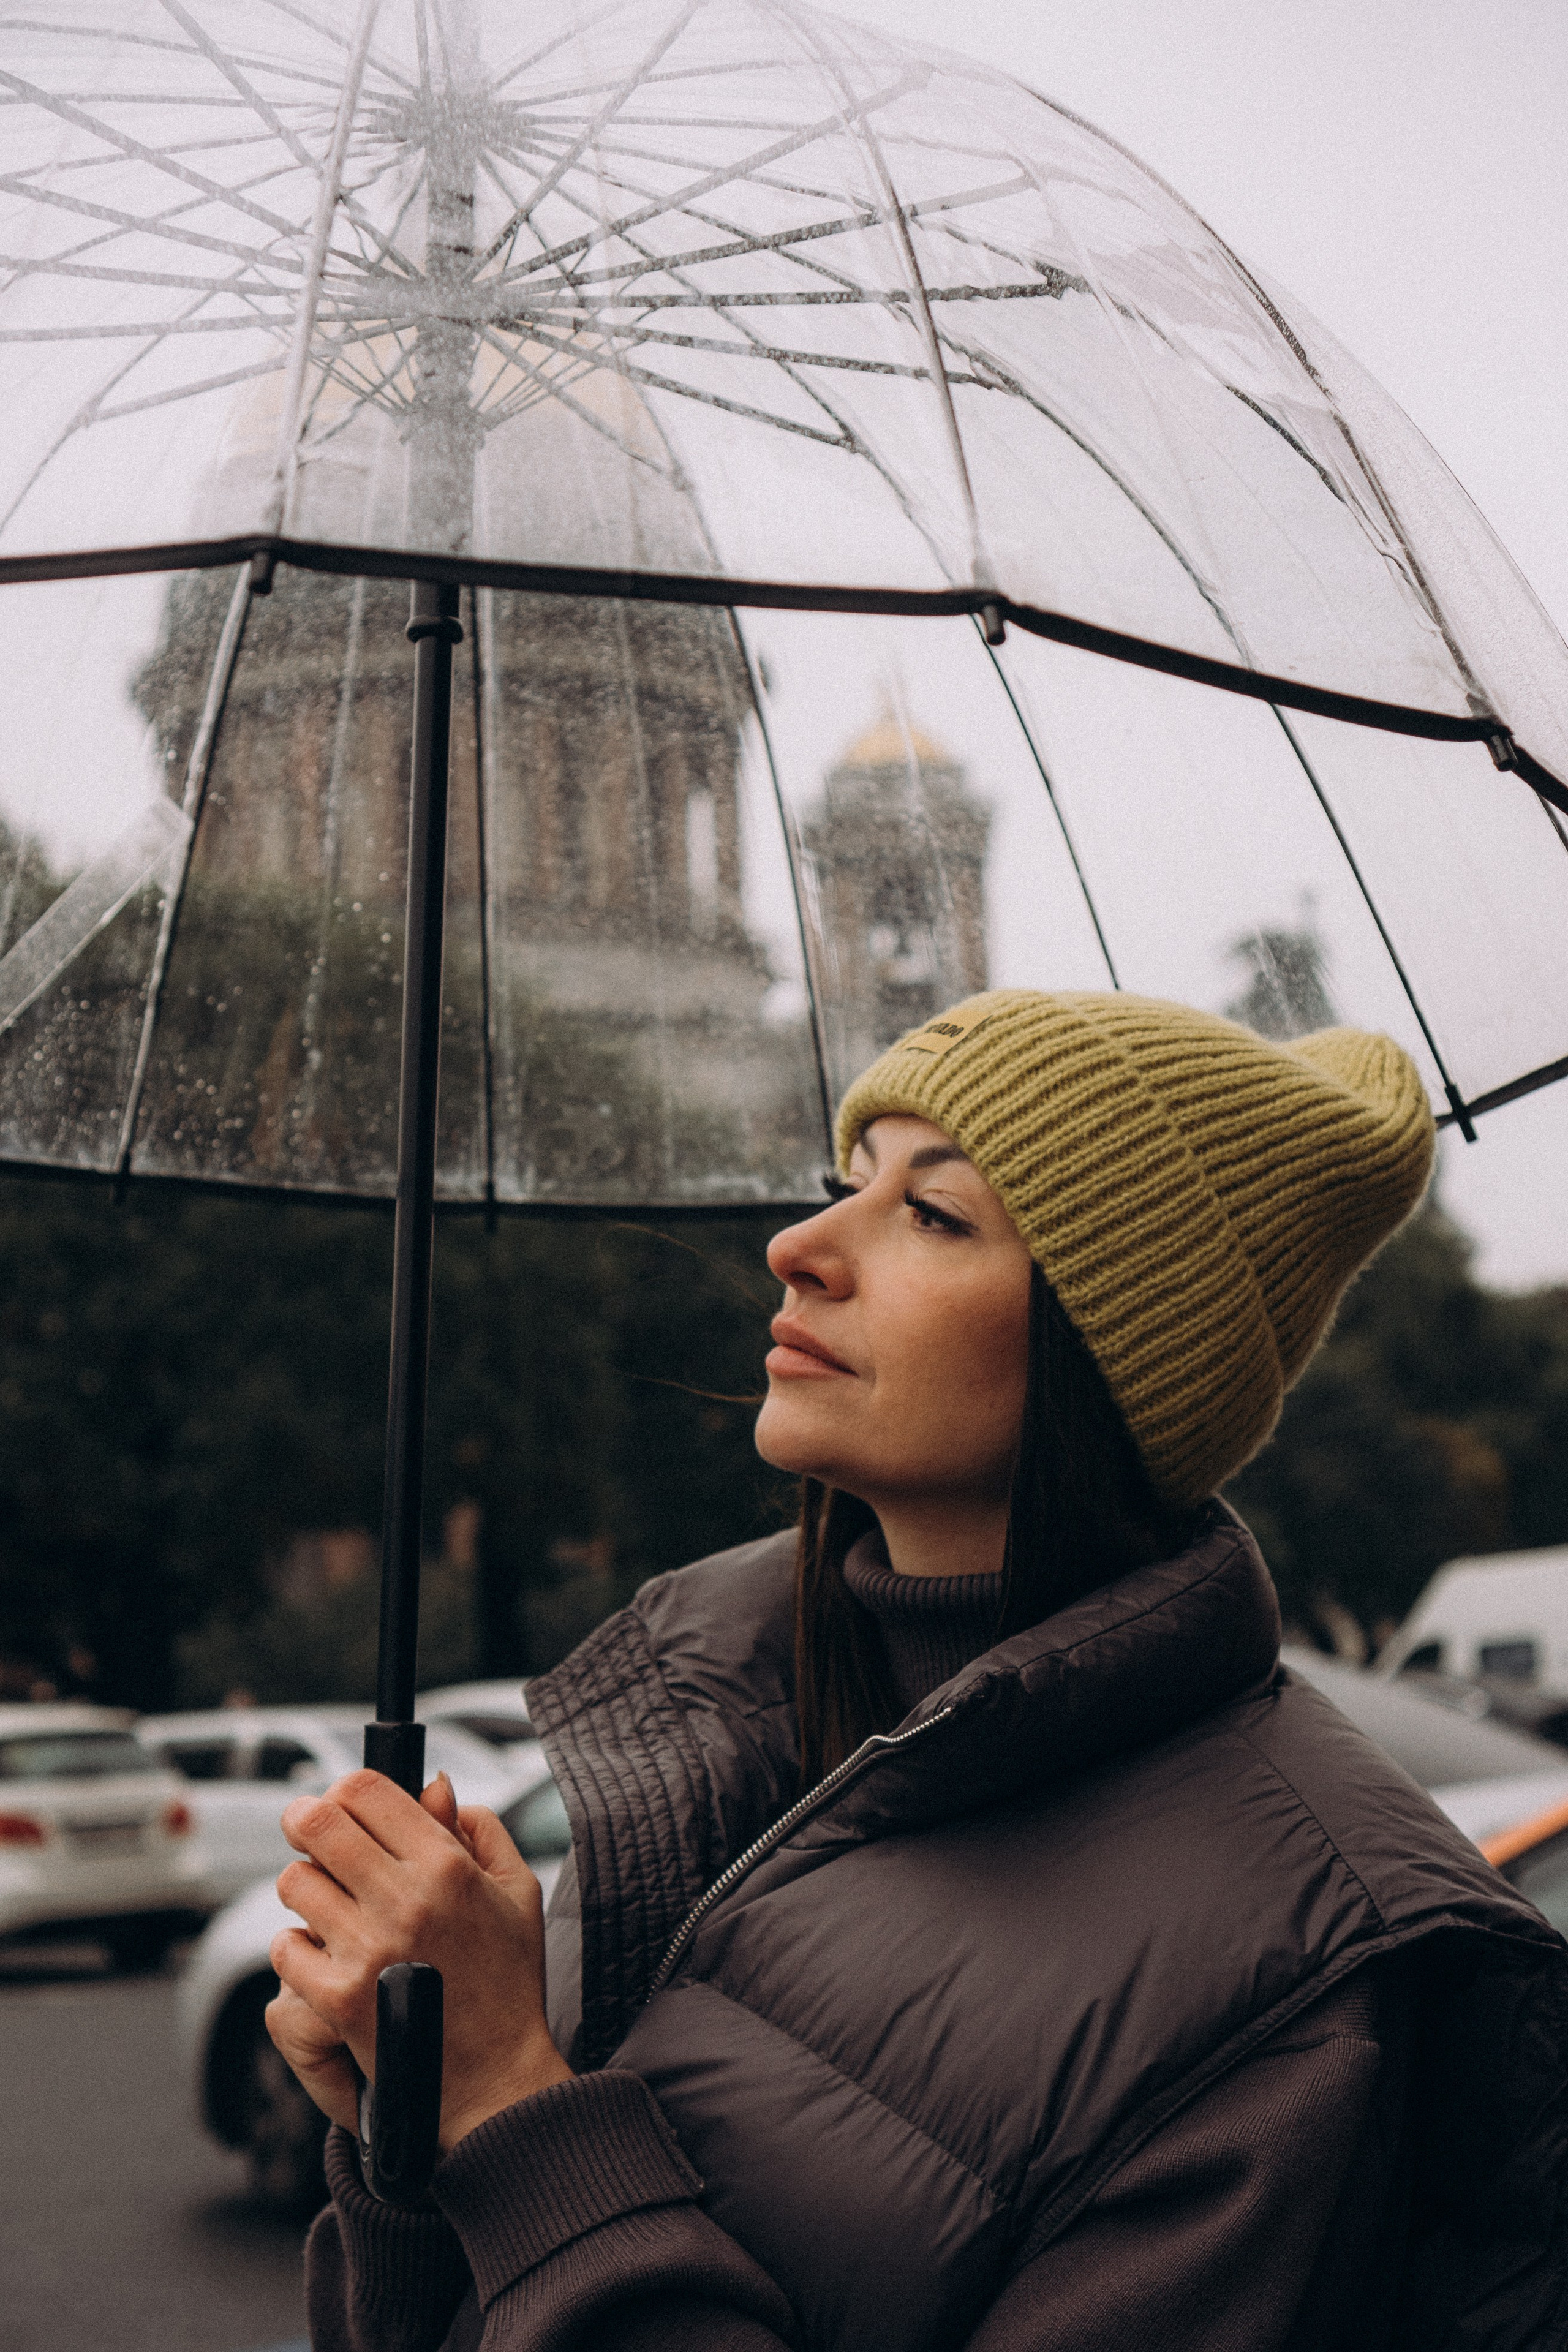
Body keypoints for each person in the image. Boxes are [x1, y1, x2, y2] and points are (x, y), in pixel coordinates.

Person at [271, 990, 1568, 2352]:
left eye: (934, 1215)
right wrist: (414, 2151)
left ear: (1117, 1359)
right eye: (848, 1184)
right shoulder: (715, 1734)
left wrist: (506, 2105)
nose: (798, 1248)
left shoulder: (1310, 1986)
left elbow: (534, 2147)